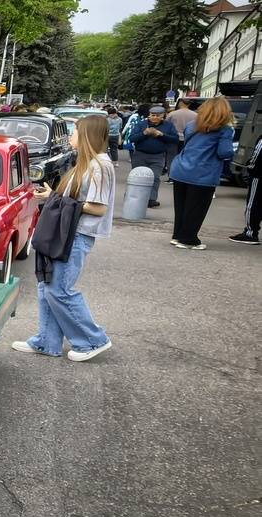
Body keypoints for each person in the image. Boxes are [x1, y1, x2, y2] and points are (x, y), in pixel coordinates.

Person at [13, 114, 115, 362]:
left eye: (75, 131)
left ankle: (93, 340)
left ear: (87, 135)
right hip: (67, 233)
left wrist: (58, 201)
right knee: (47, 286)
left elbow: (98, 208)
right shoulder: (91, 163)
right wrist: (53, 196)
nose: (70, 136)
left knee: (58, 290)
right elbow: (79, 201)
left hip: (75, 235)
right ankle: (47, 341)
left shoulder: (99, 166)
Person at [168, 96, 235, 249]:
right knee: (197, 208)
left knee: (182, 207)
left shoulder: (192, 125)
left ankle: (178, 235)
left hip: (181, 168)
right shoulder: (224, 130)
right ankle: (188, 239)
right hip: (203, 173)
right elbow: (224, 152)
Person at [126, 105, 177, 206]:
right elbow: (132, 138)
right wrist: (144, 133)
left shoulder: (169, 126)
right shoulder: (141, 124)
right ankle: (135, 197)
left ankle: (151, 199)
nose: (155, 117)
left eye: (158, 115)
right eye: (153, 115)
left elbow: (174, 139)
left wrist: (161, 135)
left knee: (155, 177)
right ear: (149, 115)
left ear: (163, 116)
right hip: (140, 155)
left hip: (158, 156)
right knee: (138, 177)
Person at [231, 136, 262, 245]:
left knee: (253, 205)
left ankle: (250, 233)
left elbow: (257, 156)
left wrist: (250, 168)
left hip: (259, 176)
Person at [166, 98, 197, 176]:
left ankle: (171, 175)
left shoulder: (172, 114)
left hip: (174, 139)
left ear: (180, 103)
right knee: (185, 158)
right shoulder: (195, 115)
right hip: (188, 139)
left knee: (171, 158)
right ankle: (182, 175)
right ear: (189, 104)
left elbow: (166, 125)